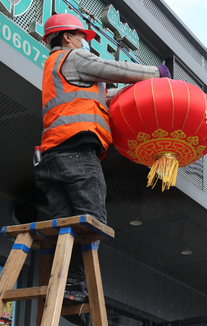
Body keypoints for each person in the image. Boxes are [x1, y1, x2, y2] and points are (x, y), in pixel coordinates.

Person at [36, 13, 170, 302]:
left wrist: (133, 90)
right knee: (91, 220)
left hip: (52, 156)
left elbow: (103, 96)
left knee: (65, 226)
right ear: (67, 37)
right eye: (82, 36)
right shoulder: (72, 58)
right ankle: (74, 285)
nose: (86, 42)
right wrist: (156, 74)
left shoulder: (55, 68)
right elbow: (111, 68)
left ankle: (63, 286)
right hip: (77, 153)